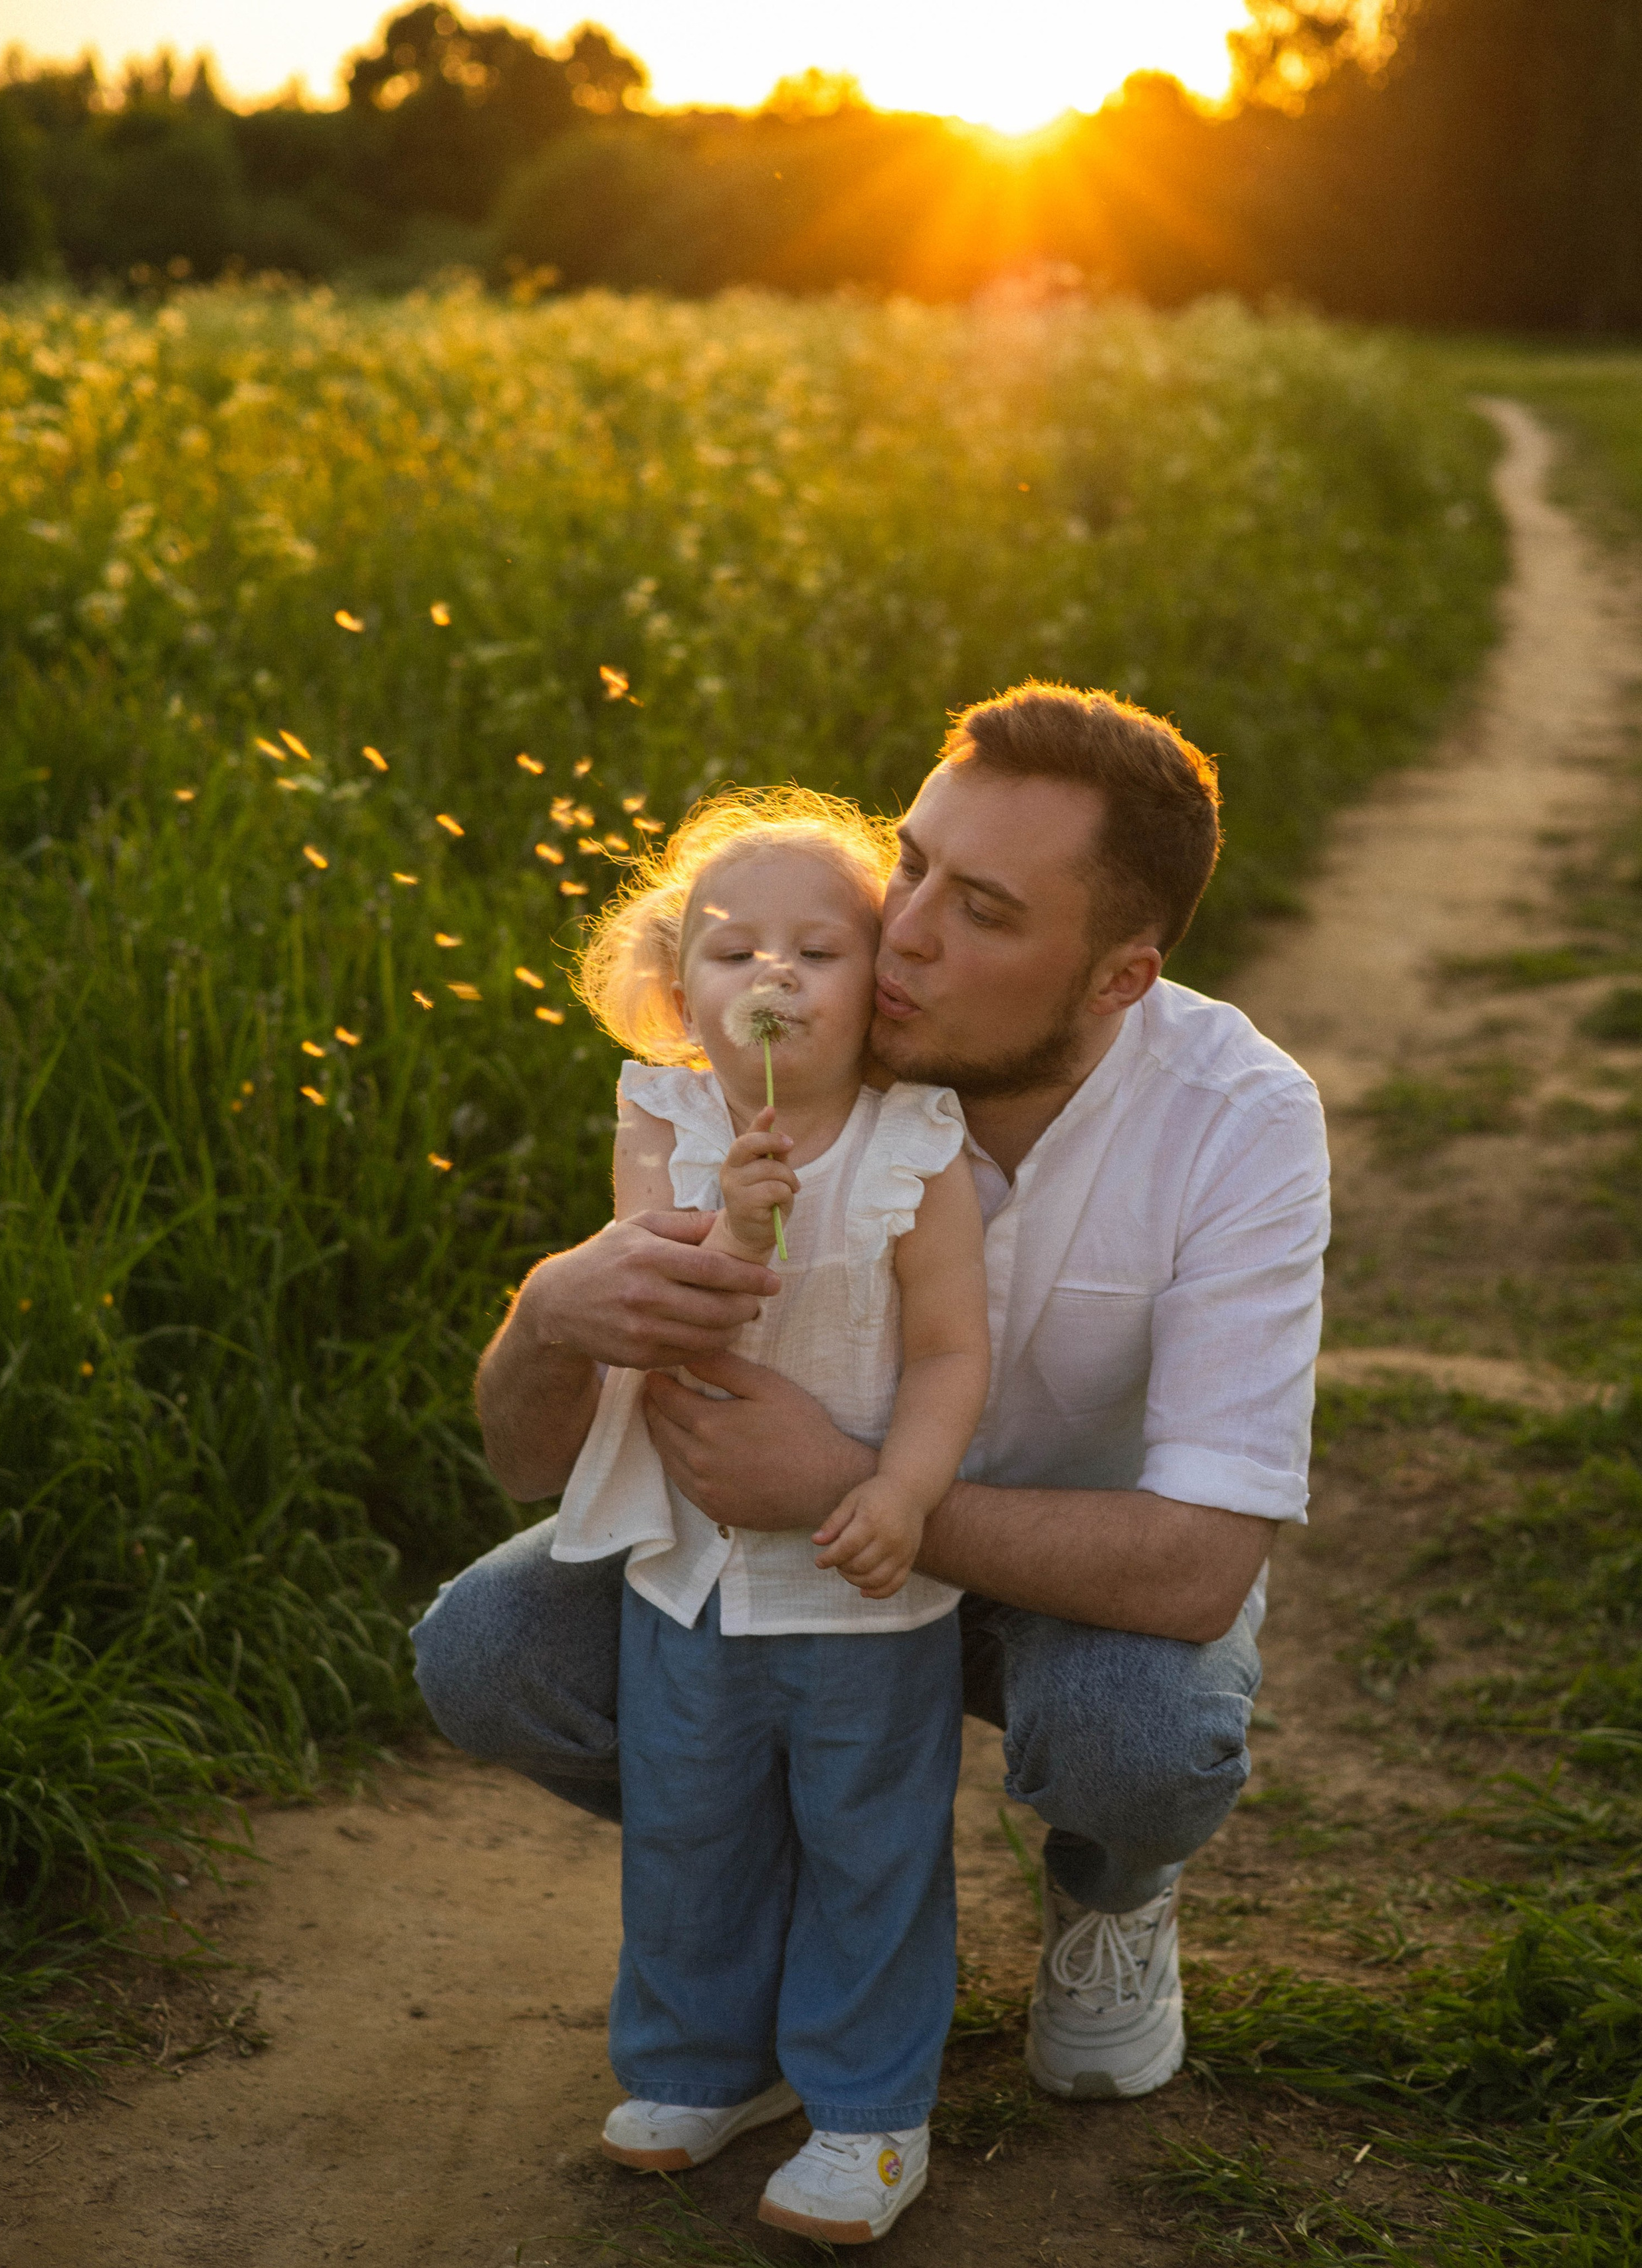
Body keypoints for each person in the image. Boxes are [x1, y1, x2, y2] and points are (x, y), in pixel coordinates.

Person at [413, 682, 1329, 2188]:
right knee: (486, 1651)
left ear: (1117, 978)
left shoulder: (1236, 1118)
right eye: (907, 864)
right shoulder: (783, 1050)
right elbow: (530, 1463)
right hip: (772, 1572)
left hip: (1067, 1581)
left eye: (979, 910)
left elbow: (1190, 1569)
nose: (898, 932)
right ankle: (770, 1898)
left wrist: (851, 1484)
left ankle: (1107, 1895)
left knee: (1139, 1737)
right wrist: (550, 1312)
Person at [547, 785, 989, 2243]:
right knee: (691, 1827)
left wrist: (904, 1488)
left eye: (819, 953)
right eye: (736, 956)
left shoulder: (914, 1144)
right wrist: (730, 1219)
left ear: (880, 993)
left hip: (865, 1580)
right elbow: (675, 1312)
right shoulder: (661, 1118)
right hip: (694, 1572)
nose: (776, 980)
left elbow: (945, 1352)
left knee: (867, 1840)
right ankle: (701, 2066)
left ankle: (868, 2110)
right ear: (681, 996)